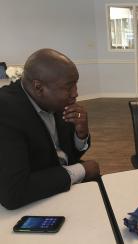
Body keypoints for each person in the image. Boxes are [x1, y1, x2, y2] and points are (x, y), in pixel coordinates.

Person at [0, 48, 100, 209]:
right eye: (69, 87)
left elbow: (68, 155)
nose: (75, 93)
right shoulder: (5, 112)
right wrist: (81, 170)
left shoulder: (55, 102)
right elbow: (13, 193)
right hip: (34, 203)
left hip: (64, 187)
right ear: (38, 87)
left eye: (76, 85)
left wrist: (81, 135)